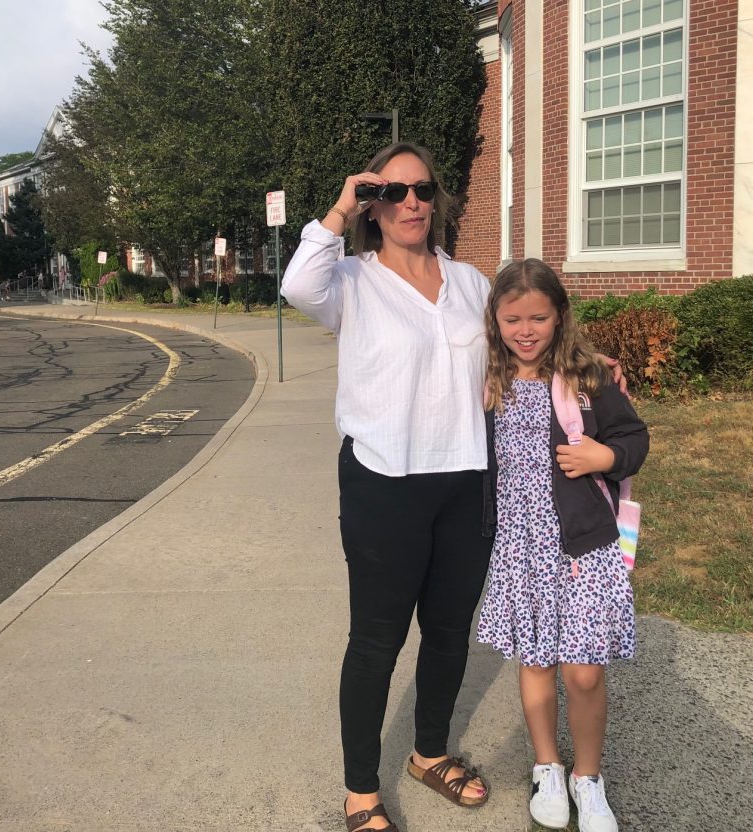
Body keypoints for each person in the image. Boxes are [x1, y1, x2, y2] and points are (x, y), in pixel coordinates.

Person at [282, 143, 494, 832]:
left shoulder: (470, 283)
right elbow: (295, 286)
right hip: (383, 481)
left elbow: (523, 356)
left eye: (423, 191)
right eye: (393, 191)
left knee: (449, 632)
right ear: (374, 204)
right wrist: (342, 205)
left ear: (437, 200)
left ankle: (428, 753)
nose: (411, 204)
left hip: (465, 479)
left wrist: (587, 373)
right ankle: (361, 792)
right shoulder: (349, 280)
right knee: (376, 641)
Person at [475, 259, 649, 832]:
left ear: (560, 317)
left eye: (539, 318)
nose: (525, 330)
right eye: (513, 318)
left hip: (582, 548)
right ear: (495, 320)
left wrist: (606, 456)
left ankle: (588, 778)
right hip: (520, 552)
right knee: (537, 661)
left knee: (585, 672)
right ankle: (547, 764)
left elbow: (632, 436)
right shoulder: (489, 381)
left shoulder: (586, 378)